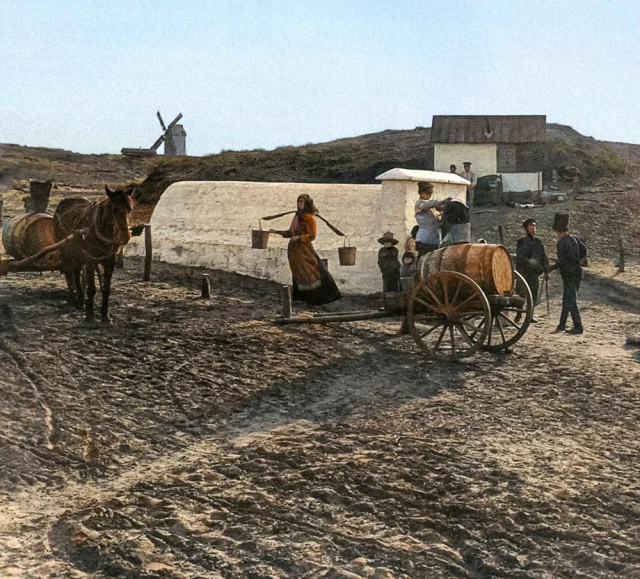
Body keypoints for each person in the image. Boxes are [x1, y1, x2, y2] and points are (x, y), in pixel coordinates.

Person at [271, 194, 341, 305]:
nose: (299, 204)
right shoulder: (297, 216)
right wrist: (276, 232)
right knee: (298, 272)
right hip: (294, 250)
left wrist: (299, 237)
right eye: (298, 201)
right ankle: (301, 298)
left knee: (309, 271)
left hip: (304, 250)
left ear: (307, 203)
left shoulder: (309, 218)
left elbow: (312, 235)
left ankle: (315, 299)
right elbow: (291, 232)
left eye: (301, 201)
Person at [548, 213, 584, 335]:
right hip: (577, 273)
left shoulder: (561, 242)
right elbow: (583, 251)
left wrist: (551, 268)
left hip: (569, 274)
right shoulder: (574, 239)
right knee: (567, 299)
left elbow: (562, 261)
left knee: (571, 301)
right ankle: (561, 325)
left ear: (557, 230)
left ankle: (578, 327)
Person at [515, 218, 548, 322]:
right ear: (526, 229)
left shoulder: (538, 242)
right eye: (530, 228)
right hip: (524, 272)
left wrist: (546, 270)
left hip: (534, 273)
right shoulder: (521, 242)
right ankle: (519, 314)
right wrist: (529, 262)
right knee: (521, 295)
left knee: (533, 295)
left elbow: (543, 257)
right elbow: (520, 257)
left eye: (534, 228)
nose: (532, 230)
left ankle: (530, 315)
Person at [414, 182, 449, 258]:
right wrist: (441, 202)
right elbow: (426, 205)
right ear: (421, 193)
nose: (429, 195)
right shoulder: (419, 203)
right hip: (424, 239)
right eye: (426, 193)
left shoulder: (431, 206)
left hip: (434, 239)